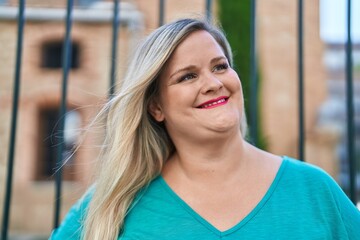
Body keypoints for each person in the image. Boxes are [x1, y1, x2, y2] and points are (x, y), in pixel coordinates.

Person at [50, 18, 360, 240]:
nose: (214, 84)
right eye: (187, 76)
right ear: (156, 108)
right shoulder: (113, 205)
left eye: (220, 66)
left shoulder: (314, 190)